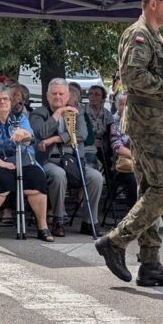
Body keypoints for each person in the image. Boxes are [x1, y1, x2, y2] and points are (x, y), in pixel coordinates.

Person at [95, 0, 163, 288]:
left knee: (151, 188)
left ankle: (150, 263)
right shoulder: (138, 34)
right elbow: (133, 76)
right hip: (148, 121)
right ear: (153, 4)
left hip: (157, 118)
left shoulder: (155, 36)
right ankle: (115, 240)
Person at [0, 84, 52, 241]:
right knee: (1, 179)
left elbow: (30, 138)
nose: (2, 102)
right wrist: (2, 164)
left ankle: (43, 227)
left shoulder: (20, 120)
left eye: (6, 99)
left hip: (21, 161)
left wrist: (24, 135)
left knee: (37, 178)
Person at [30, 78, 104, 237]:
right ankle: (58, 219)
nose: (58, 97)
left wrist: (55, 139)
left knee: (96, 177)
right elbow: (41, 132)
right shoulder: (38, 113)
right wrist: (57, 113)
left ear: (68, 96)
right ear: (47, 96)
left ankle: (89, 221)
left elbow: (82, 134)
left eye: (61, 94)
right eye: (54, 94)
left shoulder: (77, 112)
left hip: (74, 160)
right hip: (49, 160)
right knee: (58, 174)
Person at [109, 95, 138, 210]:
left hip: (142, 163)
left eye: (128, 104)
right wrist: (137, 157)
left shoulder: (139, 121)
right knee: (134, 179)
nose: (125, 107)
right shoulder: (114, 123)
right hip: (123, 166)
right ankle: (134, 211)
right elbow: (117, 148)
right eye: (121, 104)